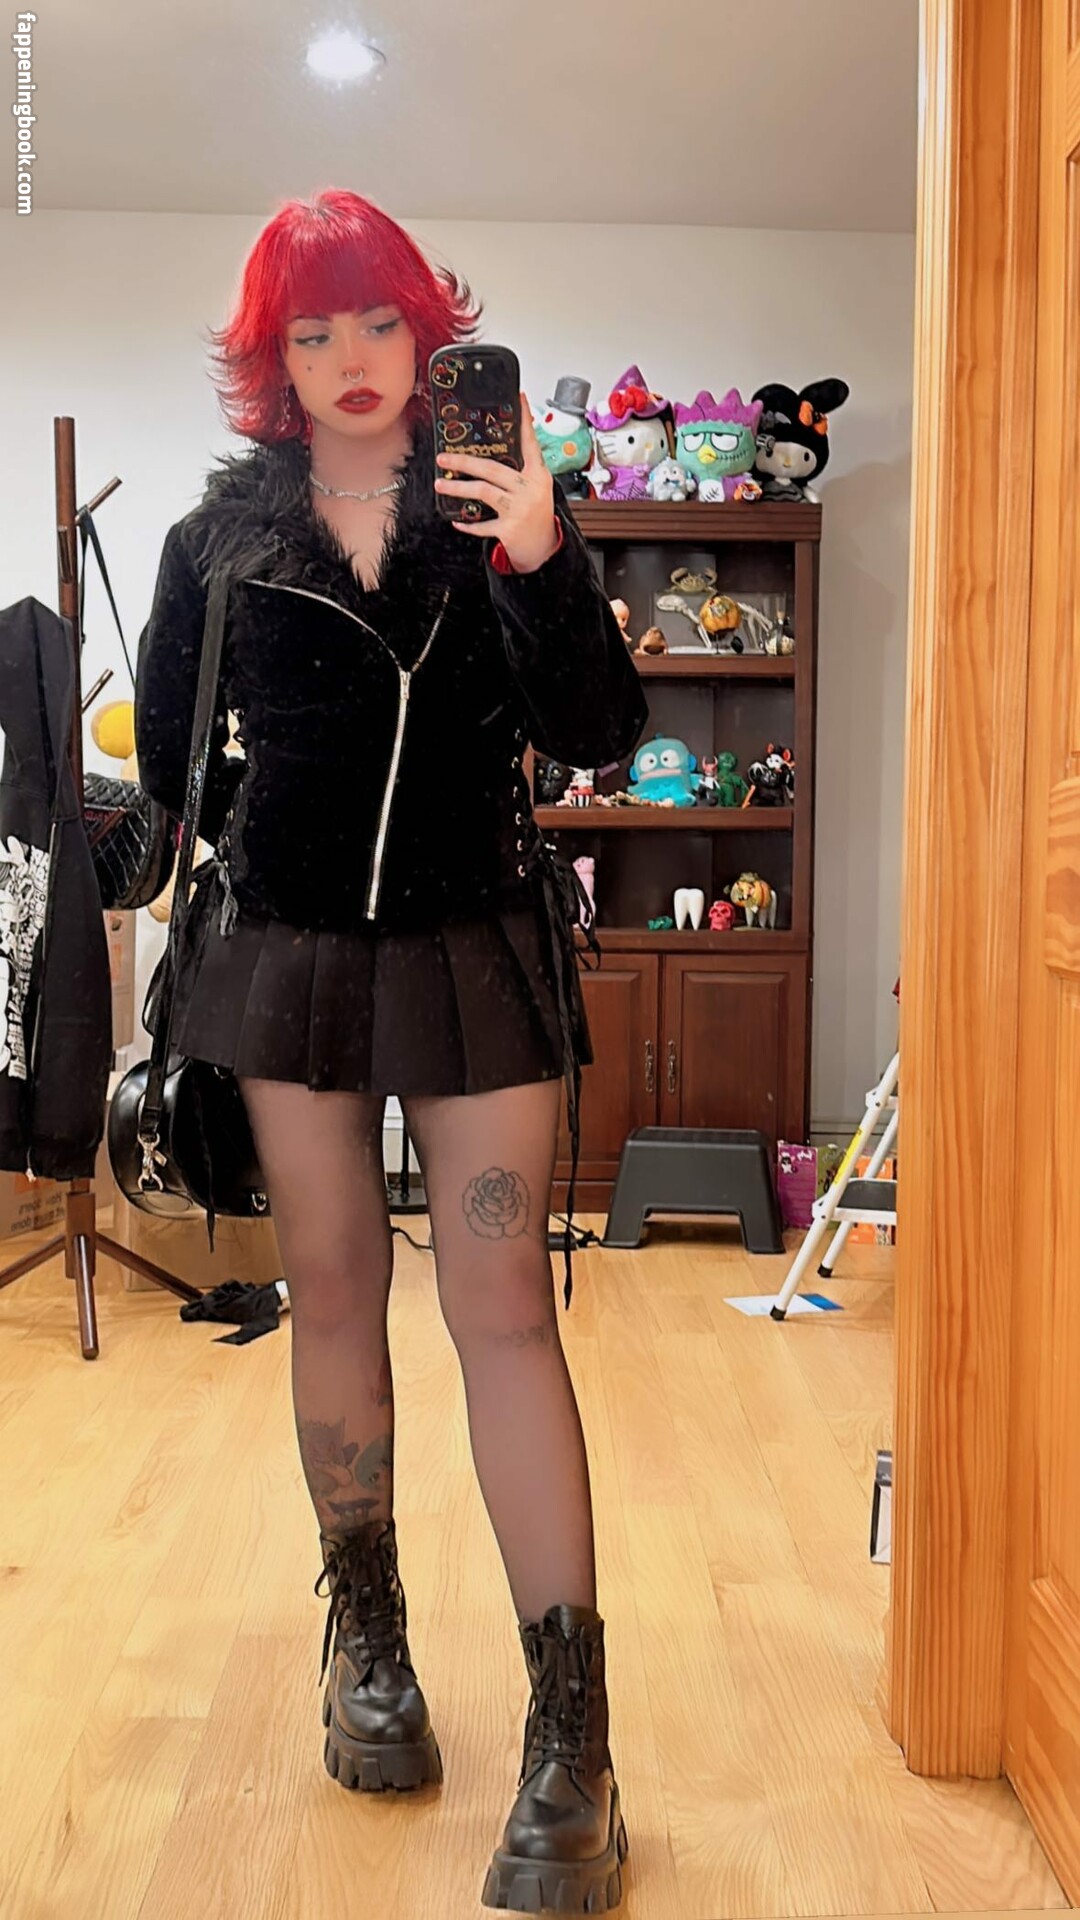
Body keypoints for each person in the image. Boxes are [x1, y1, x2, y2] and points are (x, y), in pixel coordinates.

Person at [134, 188, 648, 1915]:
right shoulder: (216, 541)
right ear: (271, 361)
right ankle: (371, 1648)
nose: (351, 358)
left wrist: (544, 559)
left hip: (475, 944)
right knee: (335, 1293)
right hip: (289, 962)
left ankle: (573, 1741)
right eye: (312, 331)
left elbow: (601, 735)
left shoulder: (500, 505)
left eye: (378, 320)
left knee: (502, 1312)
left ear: (433, 333)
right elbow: (169, 766)